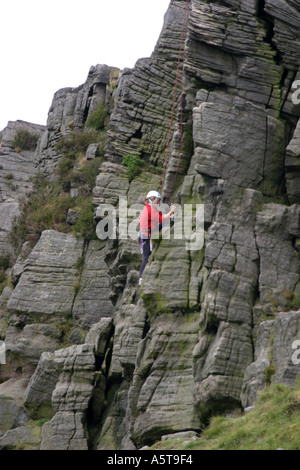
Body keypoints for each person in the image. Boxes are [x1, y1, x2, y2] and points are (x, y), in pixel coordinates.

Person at [138, 190, 175, 286]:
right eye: (158, 201)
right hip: (145, 236)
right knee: (146, 257)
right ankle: (141, 278)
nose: (159, 203)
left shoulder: (152, 209)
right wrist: (171, 211)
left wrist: (170, 215)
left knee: (164, 223)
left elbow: (162, 217)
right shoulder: (149, 209)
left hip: (151, 231)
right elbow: (162, 218)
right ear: (153, 200)